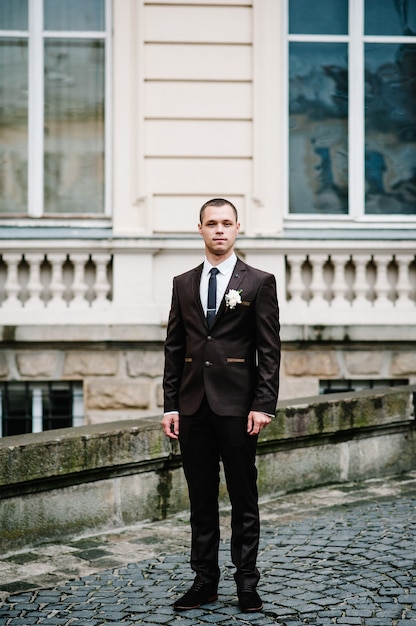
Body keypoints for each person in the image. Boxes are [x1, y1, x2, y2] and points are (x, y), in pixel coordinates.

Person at [162, 198, 280, 613]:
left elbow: (269, 348)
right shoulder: (182, 282)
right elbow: (174, 347)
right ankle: (204, 582)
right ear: (200, 228)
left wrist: (264, 404)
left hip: (239, 408)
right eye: (211, 223)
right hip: (192, 407)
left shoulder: (258, 282)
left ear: (237, 228)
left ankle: (247, 583)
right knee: (201, 500)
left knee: (244, 498)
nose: (219, 230)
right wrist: (170, 405)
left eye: (226, 223)